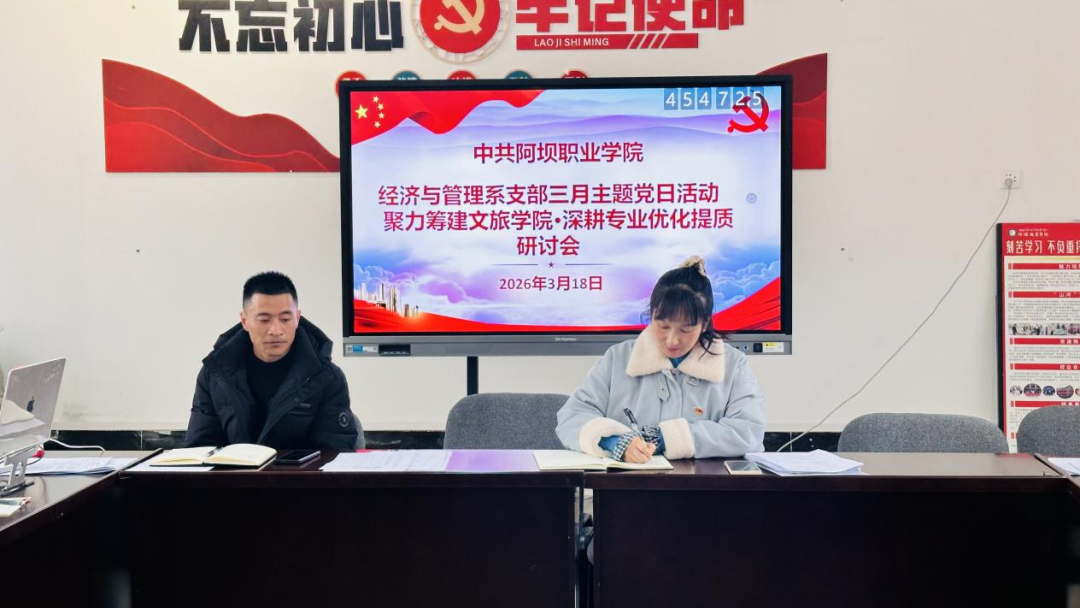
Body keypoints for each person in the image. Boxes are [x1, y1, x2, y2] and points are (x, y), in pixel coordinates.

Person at [556, 256, 765, 463]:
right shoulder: (618, 358)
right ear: (651, 315)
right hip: (625, 482)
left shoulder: (732, 364)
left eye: (686, 329)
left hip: (705, 482)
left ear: (705, 323)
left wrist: (667, 437)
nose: (672, 340)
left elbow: (748, 432)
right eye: (663, 326)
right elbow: (573, 416)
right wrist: (614, 441)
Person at [184, 271, 360, 450]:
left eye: (285, 319)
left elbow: (334, 451)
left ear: (297, 318)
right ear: (244, 321)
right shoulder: (215, 374)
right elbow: (200, 447)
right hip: (233, 469)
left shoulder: (326, 377)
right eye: (264, 320)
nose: (276, 330)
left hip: (302, 469)